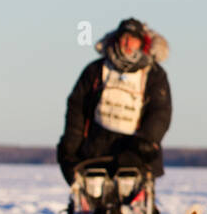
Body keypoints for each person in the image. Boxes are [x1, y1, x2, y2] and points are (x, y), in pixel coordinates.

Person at [57, 18, 172, 186]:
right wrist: (71, 143)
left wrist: (146, 141)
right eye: (124, 37)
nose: (127, 43)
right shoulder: (96, 70)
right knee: (92, 195)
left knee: (131, 194)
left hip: (136, 150)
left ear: (142, 43)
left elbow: (160, 112)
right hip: (96, 149)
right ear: (116, 39)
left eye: (133, 38)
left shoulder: (154, 74)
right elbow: (77, 107)